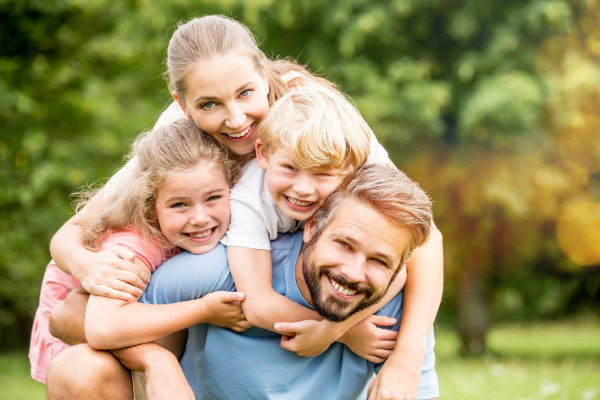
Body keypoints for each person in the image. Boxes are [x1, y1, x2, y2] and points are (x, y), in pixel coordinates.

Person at [43, 14, 444, 397]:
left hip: (216, 274)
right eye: (209, 105)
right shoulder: (177, 148)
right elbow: (70, 267)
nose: (235, 119)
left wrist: (402, 355)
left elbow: (418, 235)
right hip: (135, 277)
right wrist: (87, 266)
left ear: (265, 77)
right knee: (82, 354)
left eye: (246, 94)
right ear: (183, 105)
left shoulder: (319, 125)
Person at [47, 163, 439, 399]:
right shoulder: (222, 268)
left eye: (378, 260)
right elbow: (69, 316)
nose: (353, 272)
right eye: (344, 244)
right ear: (313, 225)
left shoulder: (397, 312)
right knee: (79, 368)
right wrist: (156, 360)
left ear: (401, 265)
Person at [30, 118, 248, 385]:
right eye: (180, 205)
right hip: (75, 322)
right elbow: (101, 328)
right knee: (96, 374)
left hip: (105, 317)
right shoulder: (135, 246)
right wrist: (204, 310)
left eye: (213, 198)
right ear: (150, 208)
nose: (200, 218)